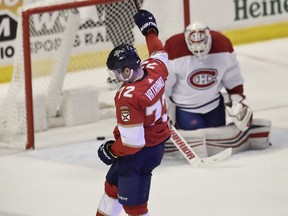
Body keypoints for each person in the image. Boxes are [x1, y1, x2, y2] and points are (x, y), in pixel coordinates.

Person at [96, 9, 170, 216]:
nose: (117, 76)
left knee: (134, 208)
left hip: (142, 152)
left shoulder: (127, 97)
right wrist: (150, 31)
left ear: (127, 70)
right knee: (112, 187)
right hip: (154, 144)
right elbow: (159, 51)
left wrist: (111, 149)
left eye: (118, 72)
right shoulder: (155, 68)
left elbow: (132, 142)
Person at [164, 20, 252, 132]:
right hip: (186, 109)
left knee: (217, 141)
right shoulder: (173, 48)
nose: (199, 52)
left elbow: (232, 75)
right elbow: (165, 82)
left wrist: (237, 99)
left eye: (202, 47)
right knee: (198, 139)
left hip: (214, 106)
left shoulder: (222, 44)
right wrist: (164, 106)